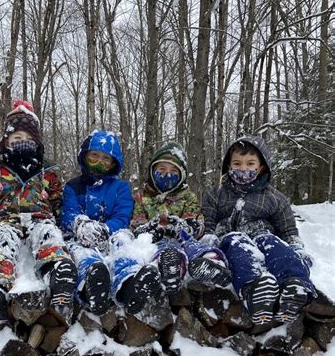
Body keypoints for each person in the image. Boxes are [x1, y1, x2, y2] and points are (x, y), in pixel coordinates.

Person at [0, 100, 77, 327]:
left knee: (48, 234)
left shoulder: (48, 172)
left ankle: (58, 273)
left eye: (29, 140)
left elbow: (58, 201)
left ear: (37, 142)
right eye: (16, 139)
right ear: (6, 142)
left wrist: (64, 222)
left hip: (40, 217)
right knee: (0, 241)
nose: (23, 144)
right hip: (6, 219)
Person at [201, 135, 315, 325]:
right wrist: (209, 241)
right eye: (237, 163)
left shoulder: (274, 197)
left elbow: (287, 228)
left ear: (261, 167)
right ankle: (253, 290)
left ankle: (295, 284)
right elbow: (209, 222)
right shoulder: (216, 194)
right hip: (231, 238)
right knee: (239, 247)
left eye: (250, 163)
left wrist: (295, 246)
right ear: (228, 166)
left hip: (262, 235)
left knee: (274, 244)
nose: (243, 168)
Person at [61, 130, 162, 315]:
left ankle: (129, 283)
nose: (100, 162)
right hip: (82, 236)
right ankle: (91, 283)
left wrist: (106, 229)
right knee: (81, 251)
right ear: (85, 156)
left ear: (113, 163)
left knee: (123, 241)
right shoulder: (73, 186)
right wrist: (80, 224)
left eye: (106, 159)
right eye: (95, 156)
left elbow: (122, 216)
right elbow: (69, 212)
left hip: (112, 233)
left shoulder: (121, 187)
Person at [131, 142, 231, 295]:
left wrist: (189, 226)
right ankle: (165, 269)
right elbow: (136, 224)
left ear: (181, 175)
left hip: (182, 238)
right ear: (153, 171)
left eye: (173, 171)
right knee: (163, 249)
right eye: (162, 169)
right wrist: (151, 229)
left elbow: (197, 220)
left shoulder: (187, 197)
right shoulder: (141, 197)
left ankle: (210, 261)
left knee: (193, 243)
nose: (167, 175)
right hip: (156, 241)